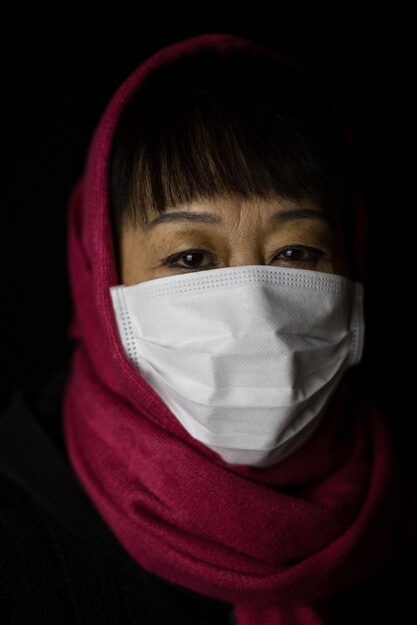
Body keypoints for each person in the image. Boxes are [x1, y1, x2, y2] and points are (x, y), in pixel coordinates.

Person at [0, 32, 415, 624]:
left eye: (296, 253)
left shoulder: (400, 510)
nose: (258, 317)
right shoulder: (18, 542)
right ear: (100, 272)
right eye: (190, 258)